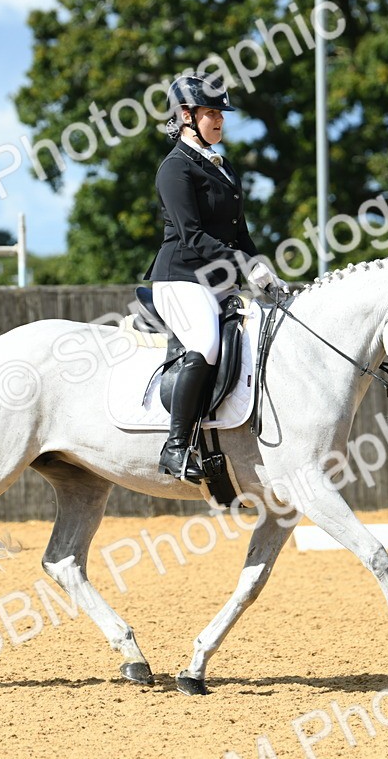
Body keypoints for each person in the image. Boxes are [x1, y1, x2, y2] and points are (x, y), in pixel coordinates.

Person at [144, 74, 285, 482]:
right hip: (181, 278)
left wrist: (262, 268)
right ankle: (175, 448)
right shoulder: (175, 169)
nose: (220, 120)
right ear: (186, 116)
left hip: (220, 280)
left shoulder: (223, 167)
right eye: (211, 113)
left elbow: (241, 233)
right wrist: (244, 265)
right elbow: (192, 236)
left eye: (221, 114)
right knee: (205, 344)